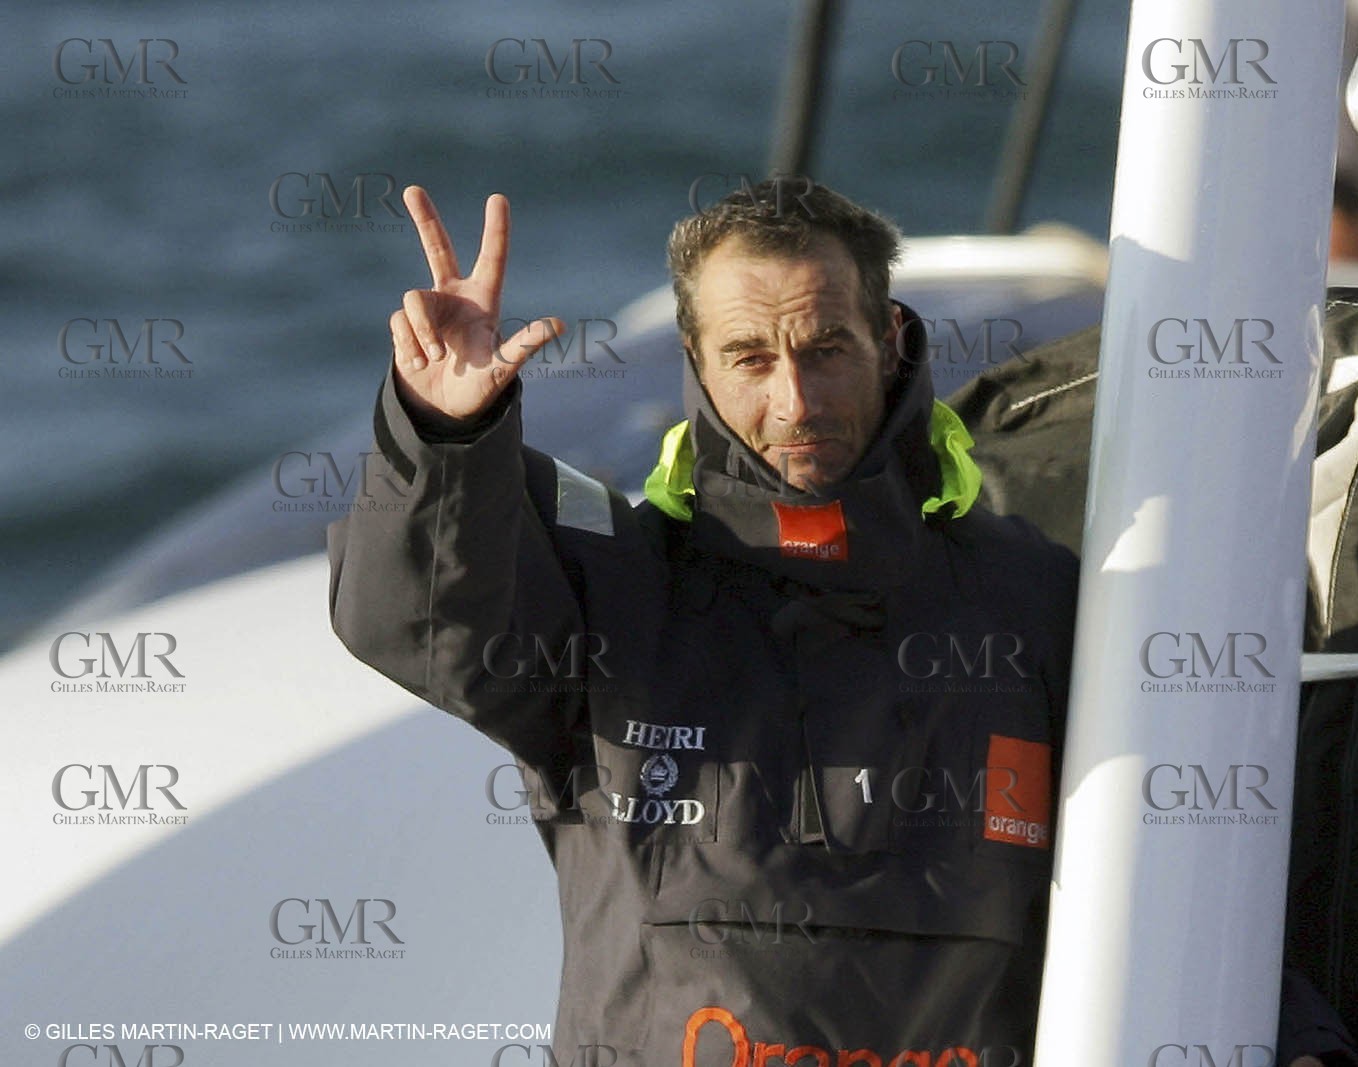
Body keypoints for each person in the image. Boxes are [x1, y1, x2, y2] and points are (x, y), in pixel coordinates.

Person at [328, 179, 1080, 1065]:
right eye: (751, 357)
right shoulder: (614, 585)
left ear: (888, 340)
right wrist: (443, 436)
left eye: (826, 348)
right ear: (698, 361)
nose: (796, 401)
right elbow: (414, 622)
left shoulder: (1032, 595)